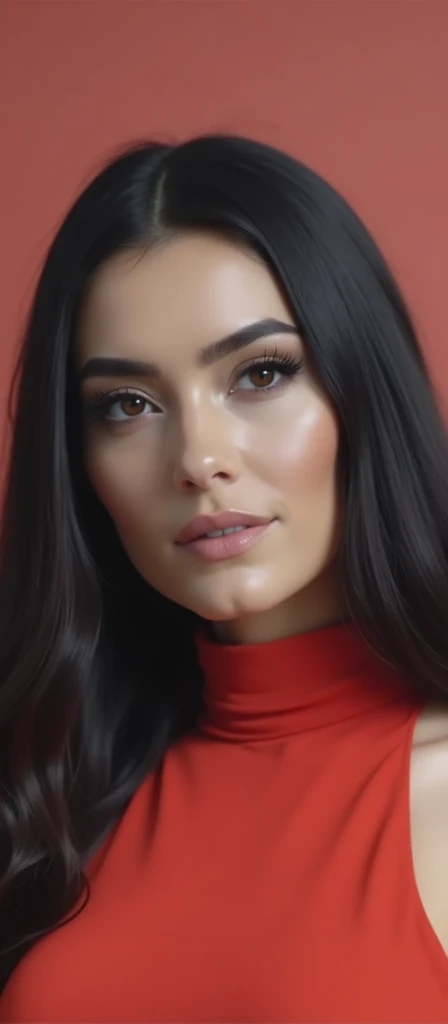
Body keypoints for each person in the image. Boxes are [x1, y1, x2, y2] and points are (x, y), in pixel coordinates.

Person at [0, 132, 448, 1023]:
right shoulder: (51, 794)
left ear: (362, 389)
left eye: (261, 373)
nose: (199, 459)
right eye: (128, 405)